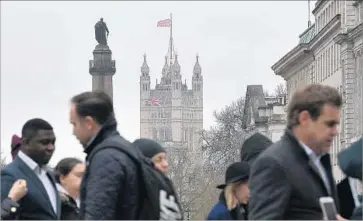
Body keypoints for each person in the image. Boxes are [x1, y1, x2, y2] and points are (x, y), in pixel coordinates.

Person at [248, 84, 342, 220]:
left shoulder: (320, 161)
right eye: (329, 124)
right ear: (304, 119)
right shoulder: (273, 163)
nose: (335, 132)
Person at [69, 91, 141, 219]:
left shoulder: (106, 158)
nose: (73, 132)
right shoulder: (128, 150)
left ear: (88, 123)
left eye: (74, 124)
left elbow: (98, 214)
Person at [1, 118, 61, 219]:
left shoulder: (48, 174)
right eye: (45, 142)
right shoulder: (10, 175)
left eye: (53, 142)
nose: (51, 148)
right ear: (26, 143)